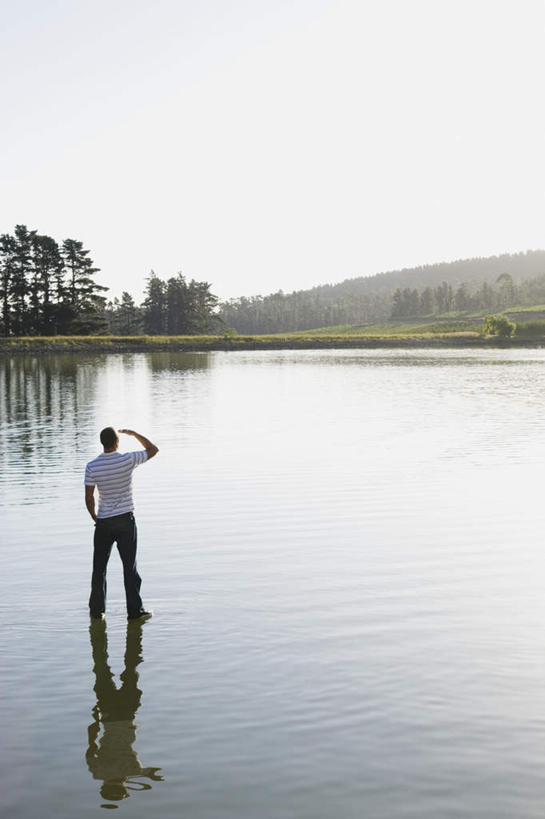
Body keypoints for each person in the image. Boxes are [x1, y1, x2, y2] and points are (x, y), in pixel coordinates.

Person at [86, 618, 163, 804]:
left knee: (131, 669)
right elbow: (91, 743)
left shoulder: (132, 772)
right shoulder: (97, 772)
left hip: (127, 713)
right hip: (108, 715)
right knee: (101, 669)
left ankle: (132, 641)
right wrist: (95, 718)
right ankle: (100, 640)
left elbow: (148, 780)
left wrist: (142, 781)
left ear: (121, 785)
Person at [85, 427, 159, 621]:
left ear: (102, 443)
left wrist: (95, 517)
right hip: (125, 520)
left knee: (99, 568)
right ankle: (134, 612)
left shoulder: (92, 466)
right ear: (116, 442)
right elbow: (153, 449)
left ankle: (97, 611)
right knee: (129, 567)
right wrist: (134, 434)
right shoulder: (127, 459)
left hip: (104, 522)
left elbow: (89, 498)